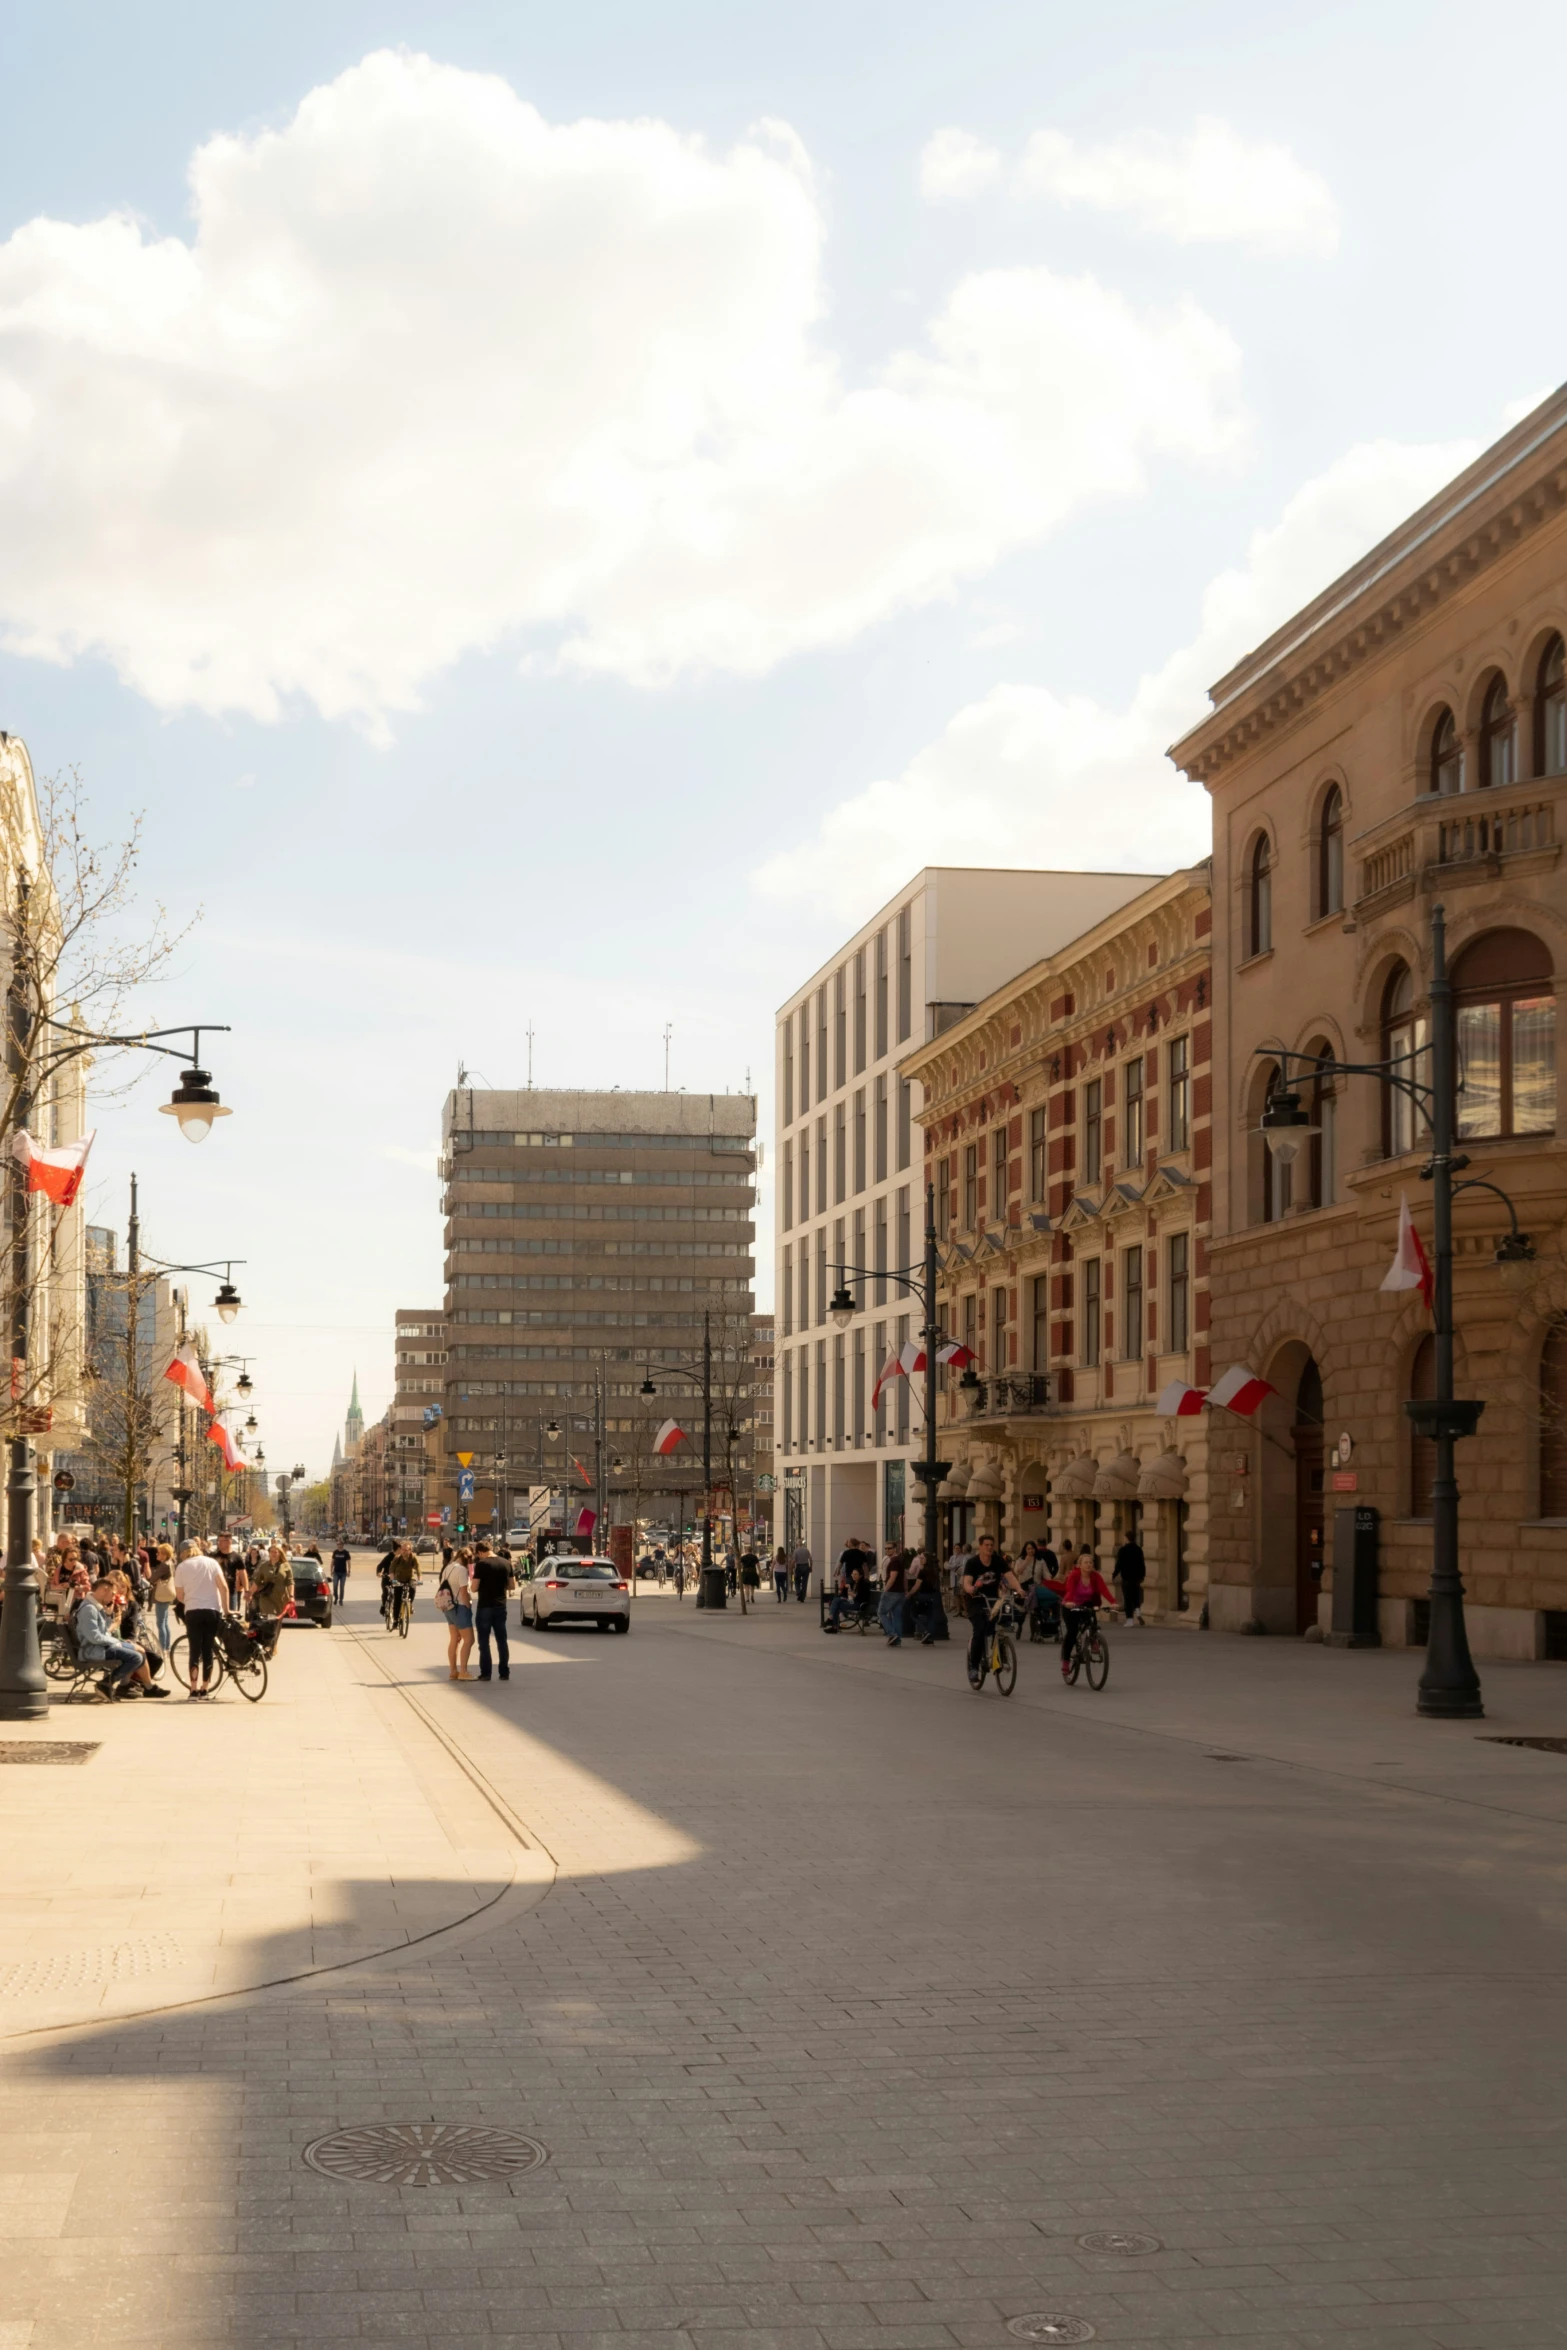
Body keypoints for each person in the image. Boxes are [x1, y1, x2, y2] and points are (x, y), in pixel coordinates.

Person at [73, 1576, 168, 1700]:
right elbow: (94, 1637)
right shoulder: (89, 1609)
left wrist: (109, 1617)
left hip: (101, 1646)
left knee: (139, 1650)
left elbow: (104, 1632)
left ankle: (132, 1686)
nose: (113, 1598)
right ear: (103, 1590)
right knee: (135, 1657)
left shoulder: (95, 1606)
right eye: (112, 1594)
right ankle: (107, 1683)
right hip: (93, 1650)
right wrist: (117, 1642)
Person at [961, 1534, 1025, 1689]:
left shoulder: (998, 1561)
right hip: (975, 1600)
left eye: (991, 1545)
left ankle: (1001, 1655)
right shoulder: (973, 1563)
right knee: (980, 1629)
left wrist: (1019, 1589)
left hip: (994, 1600)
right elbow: (967, 1582)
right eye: (986, 1545)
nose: (989, 1547)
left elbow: (1010, 1576)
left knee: (1000, 1623)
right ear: (980, 1547)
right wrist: (971, 1589)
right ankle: (974, 1667)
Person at [174, 1538, 229, 1698]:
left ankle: (193, 1688)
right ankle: (205, 1688)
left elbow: (179, 1595)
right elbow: (224, 1587)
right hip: (212, 1610)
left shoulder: (182, 1567)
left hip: (193, 1611)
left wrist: (190, 1600)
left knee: (194, 1650)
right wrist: (226, 1610)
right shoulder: (211, 1563)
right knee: (208, 1649)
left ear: (183, 1553)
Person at [1059, 1551, 1116, 1679]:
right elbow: (1070, 1591)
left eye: (1091, 1562)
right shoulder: (1074, 1575)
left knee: (1092, 1618)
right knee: (1072, 1633)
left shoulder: (1095, 1576)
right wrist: (1069, 1602)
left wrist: (1113, 1602)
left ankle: (1094, 1639)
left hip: (1086, 1605)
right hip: (1070, 1606)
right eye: (1086, 1562)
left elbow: (1104, 1589)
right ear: (1080, 1565)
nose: (1089, 1564)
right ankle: (1066, 1661)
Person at [470, 1538, 514, 1681]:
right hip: (501, 1605)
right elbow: (512, 1586)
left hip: (485, 1606)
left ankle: (486, 1673)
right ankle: (504, 1672)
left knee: (484, 1641)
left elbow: (474, 1587)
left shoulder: (481, 1564)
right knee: (502, 1640)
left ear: (481, 1552)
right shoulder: (506, 1563)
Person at [440, 1547, 475, 1680]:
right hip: (460, 1606)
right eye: (470, 1558)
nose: (471, 1560)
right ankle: (464, 1672)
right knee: (469, 1640)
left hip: (448, 1606)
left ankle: (453, 1671)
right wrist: (468, 1605)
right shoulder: (462, 1570)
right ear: (465, 1556)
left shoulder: (448, 1567)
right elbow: (464, 1591)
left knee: (455, 1639)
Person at [907, 1547, 944, 1644]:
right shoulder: (936, 1571)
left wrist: (909, 1594)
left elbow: (916, 1586)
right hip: (933, 1596)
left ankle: (926, 1630)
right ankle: (929, 1636)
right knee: (930, 1616)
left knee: (913, 1614)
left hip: (923, 1595)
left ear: (927, 1560)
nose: (920, 1560)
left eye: (922, 1558)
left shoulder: (923, 1571)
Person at [251, 1544, 295, 1621]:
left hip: (280, 1598)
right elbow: (257, 1582)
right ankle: (270, 1632)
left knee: (278, 1620)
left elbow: (290, 1582)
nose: (273, 1554)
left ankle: (274, 1633)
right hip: (266, 1597)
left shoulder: (286, 1566)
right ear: (269, 1553)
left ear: (280, 1553)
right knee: (271, 1617)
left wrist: (291, 1596)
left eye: (276, 1552)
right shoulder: (264, 1566)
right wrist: (249, 1593)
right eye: (271, 1552)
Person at [1115, 1528, 1147, 1625]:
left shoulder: (1123, 1550)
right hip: (1136, 1577)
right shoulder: (1138, 1549)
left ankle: (1130, 1619)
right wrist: (1142, 1575)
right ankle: (1138, 1611)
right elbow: (1142, 1564)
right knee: (1136, 1595)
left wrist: (1114, 1574)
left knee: (1128, 1598)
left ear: (1126, 1538)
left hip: (1126, 1577)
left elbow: (1119, 1564)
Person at [878, 1544, 909, 1646]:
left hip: (892, 1592)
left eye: (889, 1548)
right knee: (897, 1616)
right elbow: (904, 1577)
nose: (887, 1550)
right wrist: (905, 1590)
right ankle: (897, 1640)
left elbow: (893, 1577)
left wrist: (885, 1590)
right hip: (900, 1592)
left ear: (895, 1549)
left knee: (881, 1613)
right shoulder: (900, 1560)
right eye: (885, 1548)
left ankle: (892, 1634)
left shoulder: (894, 1561)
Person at [386, 1539, 420, 1627]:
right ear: (401, 1550)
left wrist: (419, 1579)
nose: (405, 1551)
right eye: (403, 1549)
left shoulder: (413, 1558)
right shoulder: (397, 1558)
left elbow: (418, 1569)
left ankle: (410, 1604)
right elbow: (391, 1570)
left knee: (413, 1588)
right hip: (399, 1579)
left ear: (410, 1550)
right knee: (397, 1599)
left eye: (407, 1549)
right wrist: (393, 1580)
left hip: (410, 1578)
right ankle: (396, 1620)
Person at [213, 1529, 249, 1610]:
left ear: (229, 1541)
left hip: (231, 1591)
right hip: (215, 1591)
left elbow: (243, 1573)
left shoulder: (236, 1557)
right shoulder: (214, 1556)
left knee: (230, 1616)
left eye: (222, 1541)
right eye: (218, 1541)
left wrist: (246, 1590)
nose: (219, 1543)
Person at [330, 1537, 351, 1607]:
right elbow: (332, 1561)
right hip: (336, 1572)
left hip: (343, 1573)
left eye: (340, 1544)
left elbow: (348, 1562)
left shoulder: (346, 1552)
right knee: (335, 1586)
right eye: (338, 1544)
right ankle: (336, 1597)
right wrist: (331, 1570)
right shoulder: (335, 1552)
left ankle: (341, 1600)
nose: (339, 1545)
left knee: (342, 1587)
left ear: (343, 1545)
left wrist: (349, 1571)